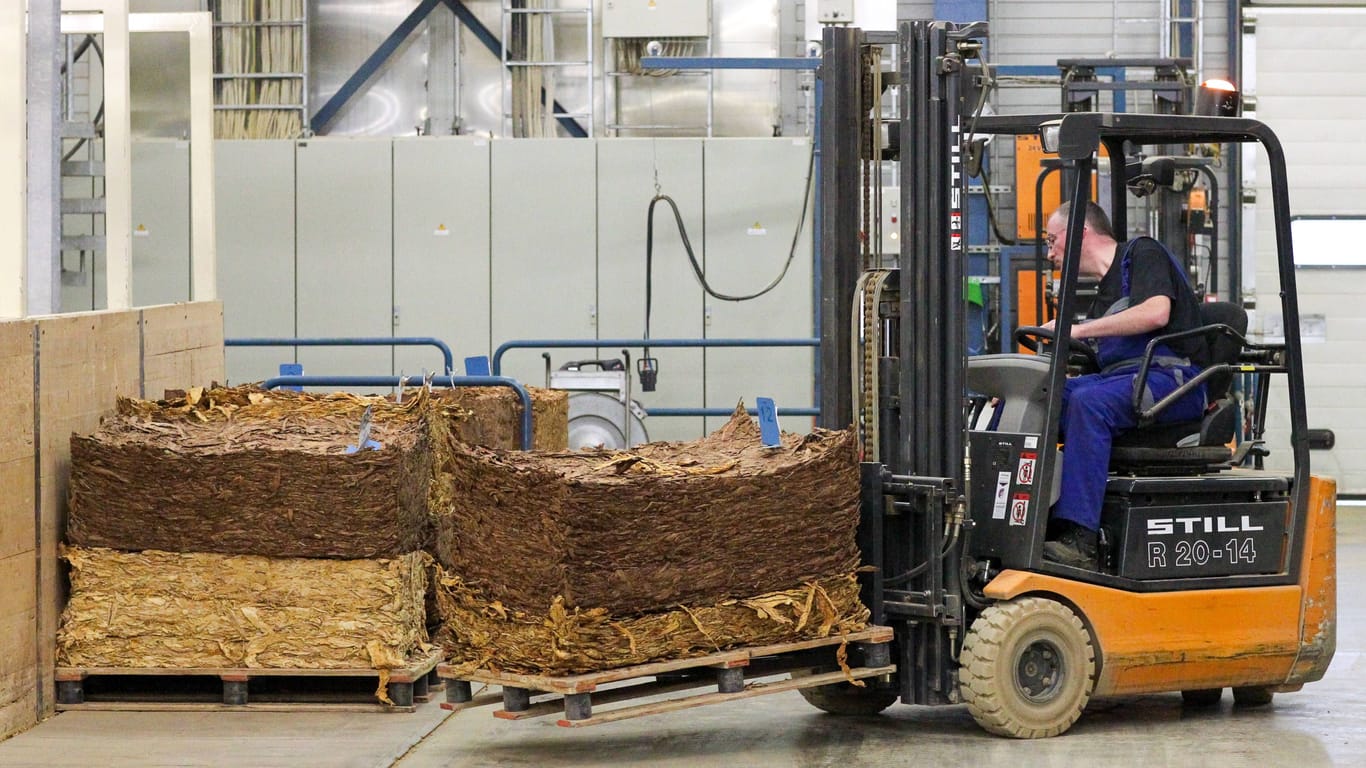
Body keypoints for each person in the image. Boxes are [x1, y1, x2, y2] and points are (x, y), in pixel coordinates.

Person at [1041, 201, 1209, 568]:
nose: (1050, 251)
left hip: (1172, 380)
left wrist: (1079, 331)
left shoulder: (1142, 253)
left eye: (1052, 240)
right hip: (1121, 381)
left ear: (1080, 232)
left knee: (1089, 403)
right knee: (1037, 395)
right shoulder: (1102, 296)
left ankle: (1079, 537)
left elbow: (1156, 312)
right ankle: (1023, 517)